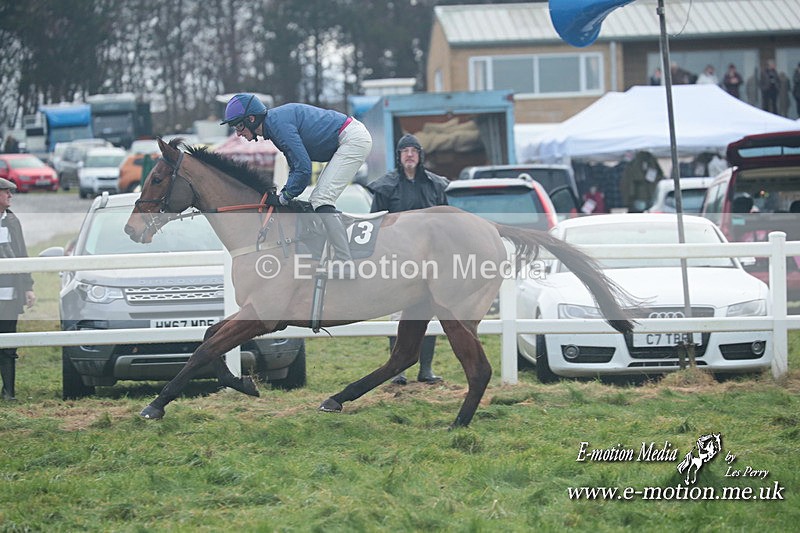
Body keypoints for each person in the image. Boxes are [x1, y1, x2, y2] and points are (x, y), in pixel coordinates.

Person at [220, 93, 372, 279]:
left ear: (251, 119)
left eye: (239, 125)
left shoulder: (277, 125)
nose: (238, 133)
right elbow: (296, 166)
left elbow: (304, 169)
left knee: (321, 199)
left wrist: (284, 197)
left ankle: (345, 263)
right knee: (319, 200)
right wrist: (285, 192)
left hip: (352, 139)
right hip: (347, 137)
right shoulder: (274, 125)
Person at [367, 134, 449, 385]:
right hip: (397, 260)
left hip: (430, 260)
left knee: (430, 312)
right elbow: (376, 223)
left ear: (420, 155)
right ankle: (397, 370)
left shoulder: (436, 185)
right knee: (397, 313)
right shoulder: (386, 186)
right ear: (399, 156)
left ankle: (426, 370)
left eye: (414, 150)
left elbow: (448, 220)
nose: (410, 154)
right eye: (405, 151)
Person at [0, 178, 35, 401]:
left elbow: (21, 254)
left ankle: (8, 391)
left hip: (8, 295)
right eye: (6, 192)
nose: (10, 196)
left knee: (8, 341)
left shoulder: (12, 221)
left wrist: (28, 287)